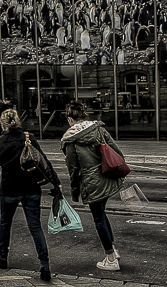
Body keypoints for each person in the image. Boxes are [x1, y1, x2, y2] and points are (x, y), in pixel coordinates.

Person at [0, 109, 55, 281]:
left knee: (5, 224)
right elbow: (44, 161)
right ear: (17, 121)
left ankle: (2, 258)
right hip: (31, 189)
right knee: (35, 227)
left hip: (9, 190)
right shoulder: (29, 138)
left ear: (2, 124)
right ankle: (44, 265)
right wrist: (56, 182)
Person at [61, 100, 124, 272]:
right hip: (107, 178)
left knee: (98, 219)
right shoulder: (98, 128)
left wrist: (75, 192)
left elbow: (73, 169)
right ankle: (113, 250)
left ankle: (111, 258)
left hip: (91, 183)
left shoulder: (70, 139)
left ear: (70, 119)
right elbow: (116, 151)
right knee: (102, 215)